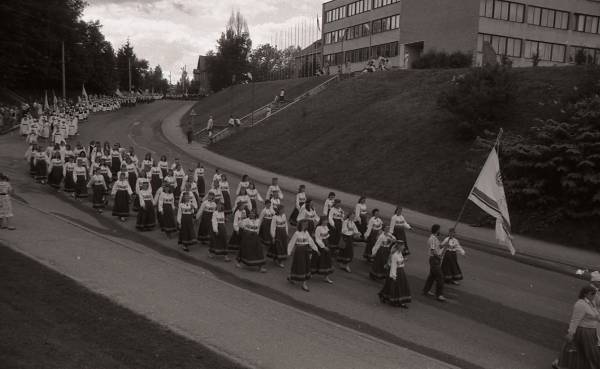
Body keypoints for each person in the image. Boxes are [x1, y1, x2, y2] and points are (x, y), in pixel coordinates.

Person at [554, 286, 600, 369]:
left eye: (595, 294)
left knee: (581, 351)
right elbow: (575, 320)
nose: (594, 296)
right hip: (584, 331)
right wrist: (571, 333)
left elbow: (596, 316)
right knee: (591, 351)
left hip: (591, 331)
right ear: (585, 294)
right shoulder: (580, 304)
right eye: (592, 294)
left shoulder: (591, 303)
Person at [287, 220, 320, 292]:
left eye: (306, 225)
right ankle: (292, 277)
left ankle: (304, 283)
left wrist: (316, 249)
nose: (305, 226)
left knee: (305, 266)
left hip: (305, 251)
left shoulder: (306, 233)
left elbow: (311, 241)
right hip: (299, 252)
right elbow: (291, 243)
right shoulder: (296, 233)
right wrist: (289, 253)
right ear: (300, 225)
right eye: (304, 224)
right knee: (298, 265)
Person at [378, 243, 411, 309]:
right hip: (396, 271)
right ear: (399, 247)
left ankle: (388, 297)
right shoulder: (395, 255)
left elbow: (399, 262)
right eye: (403, 246)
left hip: (400, 271)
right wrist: (393, 275)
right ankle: (396, 300)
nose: (404, 247)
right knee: (396, 285)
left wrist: (403, 260)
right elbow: (393, 266)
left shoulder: (399, 253)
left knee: (393, 285)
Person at [423, 224, 446, 302]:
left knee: (432, 276)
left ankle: (426, 290)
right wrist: (438, 257)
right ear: (437, 230)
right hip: (434, 259)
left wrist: (446, 243)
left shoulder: (436, 238)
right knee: (440, 276)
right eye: (439, 229)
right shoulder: (432, 239)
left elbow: (439, 247)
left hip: (435, 259)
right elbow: (433, 250)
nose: (440, 231)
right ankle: (439, 295)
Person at [312, 216, 334, 284]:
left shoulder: (326, 227)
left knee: (327, 261)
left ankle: (326, 276)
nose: (326, 222)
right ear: (321, 221)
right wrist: (323, 247)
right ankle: (311, 273)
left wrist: (327, 244)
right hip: (321, 246)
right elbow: (317, 239)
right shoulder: (318, 228)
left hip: (326, 244)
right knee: (317, 260)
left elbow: (327, 236)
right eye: (325, 220)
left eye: (327, 220)